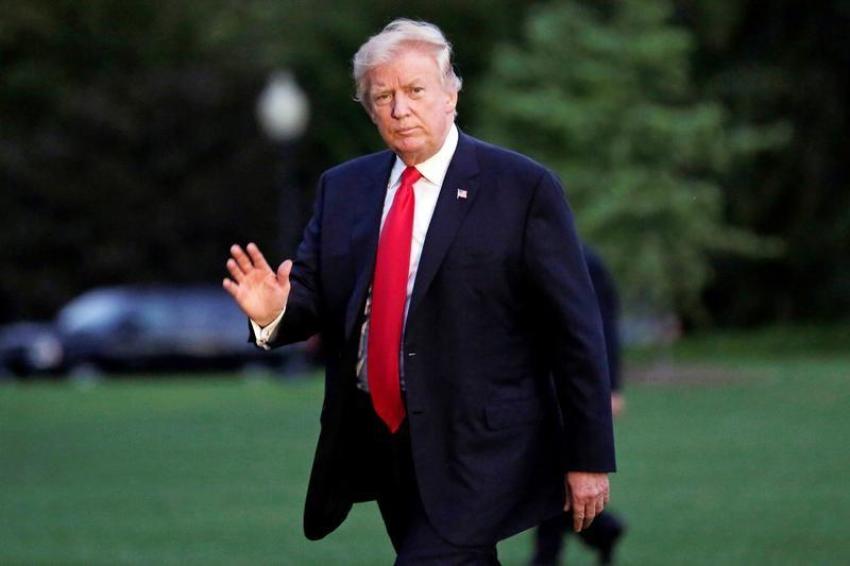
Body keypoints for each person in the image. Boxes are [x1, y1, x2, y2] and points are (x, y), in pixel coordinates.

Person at [223, 19, 615, 565]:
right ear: (369, 109)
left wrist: (588, 455)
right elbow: (315, 295)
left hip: (478, 446)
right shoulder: (345, 188)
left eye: (414, 91)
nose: (399, 108)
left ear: (451, 93)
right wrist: (275, 313)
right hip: (380, 439)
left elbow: (575, 331)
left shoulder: (521, 189)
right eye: (382, 96)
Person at [530, 246, 627, 566]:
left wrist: (610, 388)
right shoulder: (527, 255)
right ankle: (603, 530)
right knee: (547, 474)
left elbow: (601, 331)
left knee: (554, 472)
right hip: (536, 388)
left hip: (570, 390)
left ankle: (547, 556)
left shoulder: (586, 261)